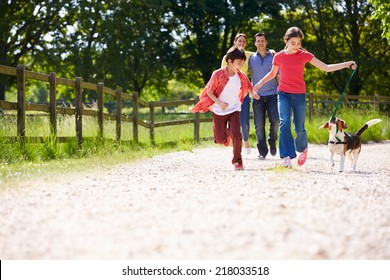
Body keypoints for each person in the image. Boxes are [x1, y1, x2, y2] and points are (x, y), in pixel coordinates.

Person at [252, 26, 357, 168]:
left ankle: (302, 149)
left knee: (299, 127)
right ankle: (287, 156)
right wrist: (258, 84)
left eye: (299, 43)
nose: (296, 46)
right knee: (284, 123)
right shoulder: (279, 56)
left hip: (299, 94)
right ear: (286, 41)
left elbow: (325, 67)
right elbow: (272, 73)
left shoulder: (304, 55)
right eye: (293, 43)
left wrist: (346, 64)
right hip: (283, 93)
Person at [192, 48, 258, 171]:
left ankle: (237, 161)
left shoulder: (241, 76)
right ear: (229, 61)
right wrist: (220, 103)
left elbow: (249, 87)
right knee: (221, 139)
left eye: (242, 62)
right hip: (218, 110)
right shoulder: (217, 74)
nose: (241, 65)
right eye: (239, 62)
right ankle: (226, 135)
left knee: (237, 135)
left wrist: (253, 93)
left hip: (234, 109)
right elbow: (210, 92)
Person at [248, 32, 279, 160]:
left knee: (276, 121)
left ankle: (272, 141)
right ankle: (262, 151)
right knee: (259, 125)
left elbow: (278, 74)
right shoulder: (250, 59)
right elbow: (244, 75)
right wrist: (250, 91)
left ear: (266, 42)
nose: (260, 43)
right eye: (258, 41)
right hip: (257, 97)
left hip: (272, 94)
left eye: (263, 41)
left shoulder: (273, 57)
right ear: (255, 43)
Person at [221, 34, 254, 155]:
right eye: (239, 41)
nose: (242, 43)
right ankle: (230, 136)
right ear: (235, 42)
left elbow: (262, 54)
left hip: (243, 94)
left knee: (244, 123)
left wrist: (270, 51)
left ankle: (246, 140)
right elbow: (221, 75)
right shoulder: (227, 57)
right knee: (231, 120)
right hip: (230, 94)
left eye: (244, 41)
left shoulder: (250, 56)